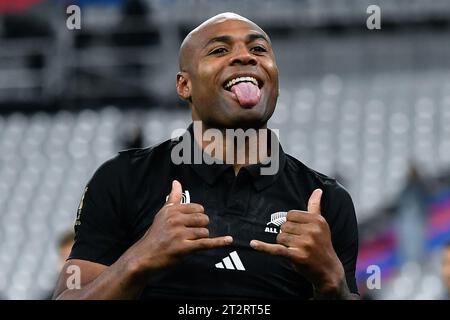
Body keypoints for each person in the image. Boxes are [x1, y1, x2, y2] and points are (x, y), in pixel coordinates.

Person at [53, 12, 359, 300]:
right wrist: (139, 258)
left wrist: (333, 282)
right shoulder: (123, 178)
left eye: (258, 49)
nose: (244, 55)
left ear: (275, 83)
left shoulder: (327, 200)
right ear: (185, 85)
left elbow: (338, 289)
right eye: (219, 50)